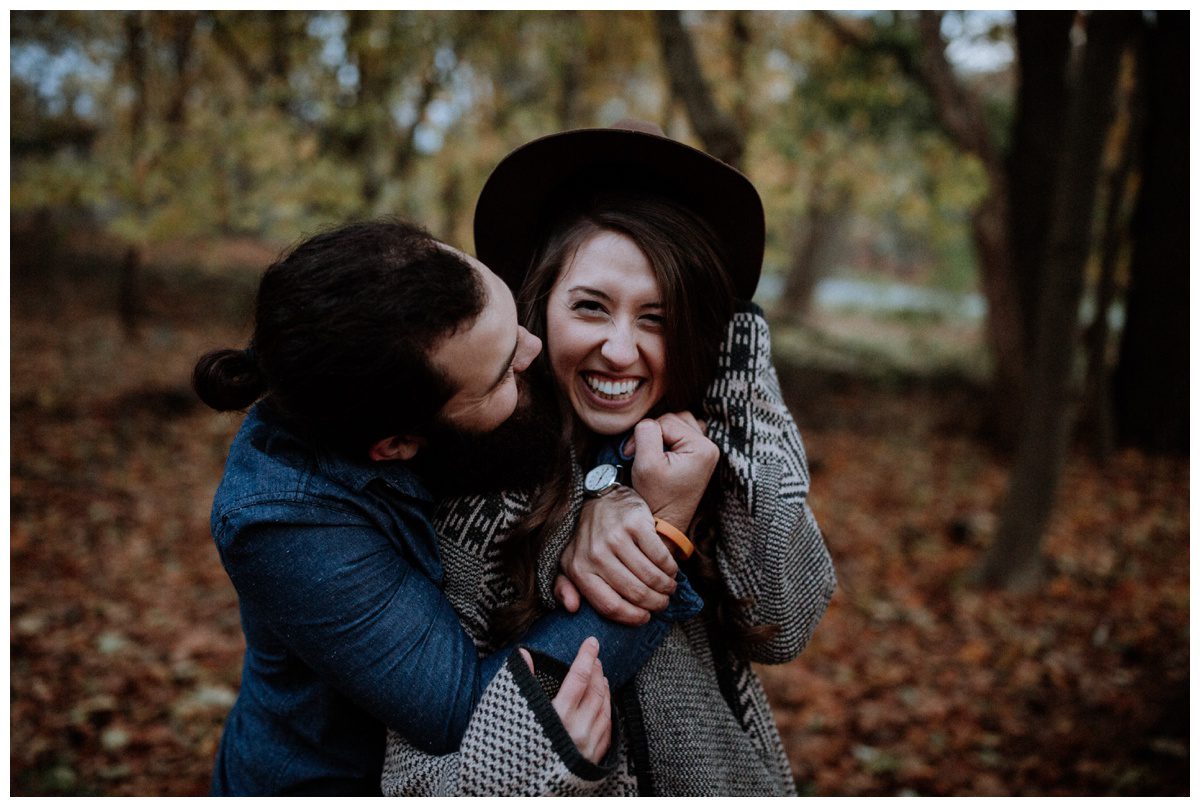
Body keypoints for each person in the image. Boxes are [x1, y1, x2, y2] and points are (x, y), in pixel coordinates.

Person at [381, 121, 836, 795]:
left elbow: (784, 618)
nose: (620, 350)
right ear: (539, 304)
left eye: (657, 317)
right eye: (591, 307)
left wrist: (740, 348)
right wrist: (543, 753)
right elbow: (414, 778)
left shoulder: (706, 456)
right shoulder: (473, 493)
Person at [192, 218, 705, 795]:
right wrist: (658, 531)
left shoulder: (439, 326)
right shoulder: (281, 523)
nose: (532, 349)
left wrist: (614, 491)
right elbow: (479, 710)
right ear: (397, 446)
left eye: (511, 319)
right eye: (501, 369)